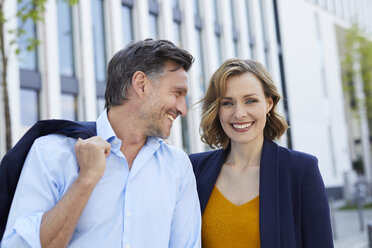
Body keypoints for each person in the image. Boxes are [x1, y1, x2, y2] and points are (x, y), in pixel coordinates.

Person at [1, 39, 201, 248]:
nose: (183, 109)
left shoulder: (178, 166)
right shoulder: (52, 152)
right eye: (177, 93)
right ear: (141, 84)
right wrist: (85, 180)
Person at [189, 58, 333, 248]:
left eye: (250, 101)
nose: (239, 113)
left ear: (269, 104)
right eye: (227, 103)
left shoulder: (301, 171)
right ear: (217, 110)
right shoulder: (193, 169)